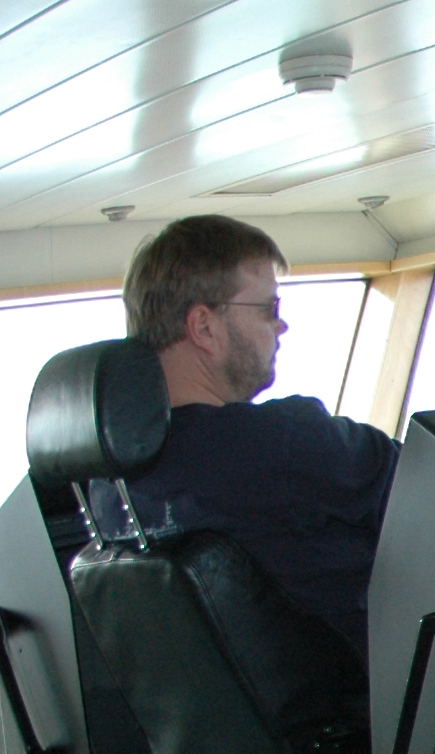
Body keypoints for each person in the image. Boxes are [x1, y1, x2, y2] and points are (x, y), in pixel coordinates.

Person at [115, 215, 397, 661]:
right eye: (269, 309)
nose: (281, 327)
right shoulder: (281, 442)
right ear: (204, 327)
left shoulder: (105, 490)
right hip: (375, 713)